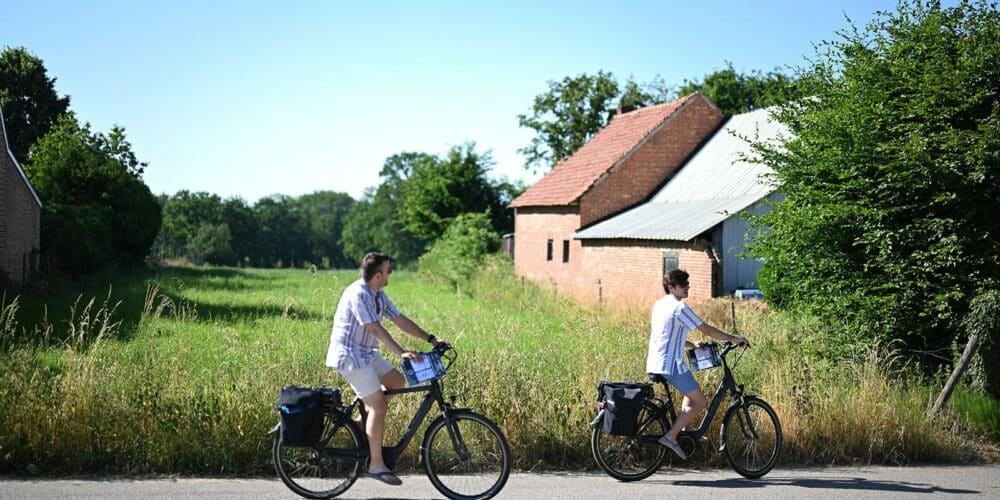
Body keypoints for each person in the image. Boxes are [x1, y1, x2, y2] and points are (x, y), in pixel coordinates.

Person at [326, 252, 446, 486]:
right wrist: (401, 352)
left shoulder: (378, 294)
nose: (391, 272)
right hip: (350, 356)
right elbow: (375, 329)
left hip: (366, 353)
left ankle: (361, 424)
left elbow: (400, 319)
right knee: (378, 405)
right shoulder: (359, 294)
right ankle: (376, 465)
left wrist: (431, 339)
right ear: (378, 274)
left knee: (396, 382)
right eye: (389, 270)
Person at [647, 269, 748, 459]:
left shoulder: (659, 304)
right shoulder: (679, 308)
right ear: (671, 287)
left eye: (688, 283)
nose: (687, 287)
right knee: (700, 401)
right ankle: (671, 436)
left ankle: (685, 433)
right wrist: (733, 338)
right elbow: (705, 328)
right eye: (683, 284)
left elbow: (665, 335)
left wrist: (692, 344)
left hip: (656, 361)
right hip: (670, 364)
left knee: (692, 392)